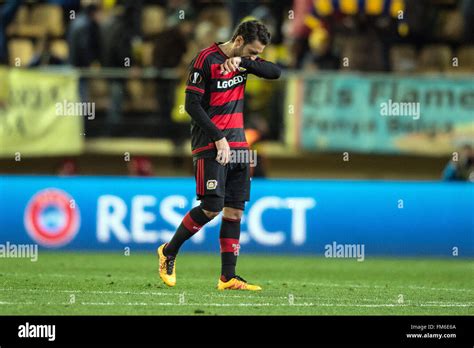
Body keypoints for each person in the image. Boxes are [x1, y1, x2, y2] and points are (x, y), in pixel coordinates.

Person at [157, 20, 281, 291]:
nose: (255, 58)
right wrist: (218, 137)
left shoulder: (244, 62)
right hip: (211, 145)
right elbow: (191, 105)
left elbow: (275, 72)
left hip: (239, 147)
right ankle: (169, 250)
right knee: (212, 207)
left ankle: (228, 277)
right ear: (238, 41)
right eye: (251, 52)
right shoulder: (204, 60)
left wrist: (245, 64)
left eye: (258, 54)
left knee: (235, 211)